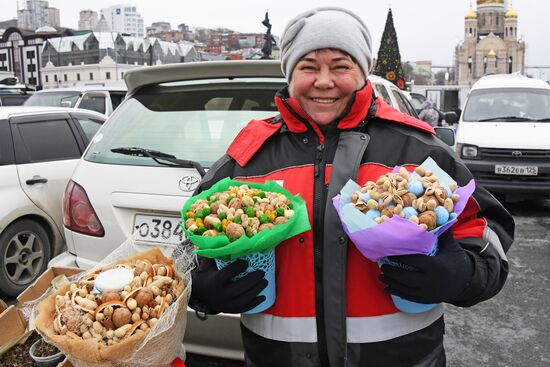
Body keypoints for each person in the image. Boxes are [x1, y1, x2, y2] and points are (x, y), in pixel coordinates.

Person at [189, 7, 514, 367]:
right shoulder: (248, 157)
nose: (324, 81)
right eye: (309, 66)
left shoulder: (418, 149)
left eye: (341, 66)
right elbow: (189, 242)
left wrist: (463, 276)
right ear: (290, 72)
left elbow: (488, 234)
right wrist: (200, 287)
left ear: (364, 71)